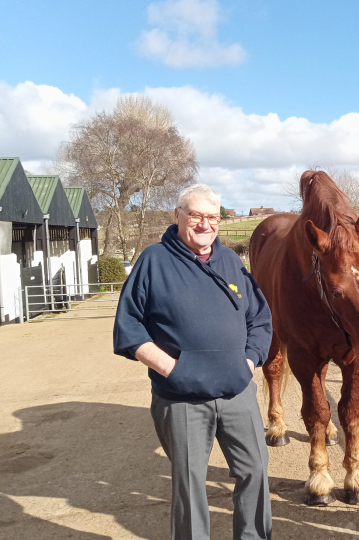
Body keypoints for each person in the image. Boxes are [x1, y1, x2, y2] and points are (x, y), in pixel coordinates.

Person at [114, 184, 273, 540]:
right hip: (181, 397)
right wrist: (173, 369)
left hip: (237, 393)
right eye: (196, 215)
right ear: (178, 216)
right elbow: (128, 327)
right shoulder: (154, 261)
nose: (205, 225)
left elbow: (260, 318)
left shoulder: (231, 261)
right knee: (189, 483)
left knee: (256, 471)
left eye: (213, 217)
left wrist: (248, 363)